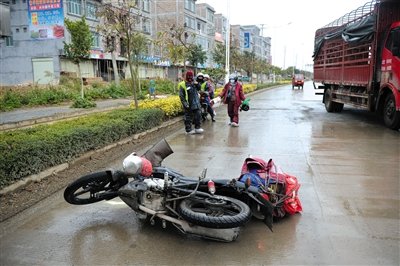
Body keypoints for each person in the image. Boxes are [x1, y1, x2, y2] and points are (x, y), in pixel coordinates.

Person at [178, 70, 204, 134]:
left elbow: (199, 88)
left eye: (191, 76)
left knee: (198, 116)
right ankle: (188, 130)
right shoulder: (182, 84)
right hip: (189, 104)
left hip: (196, 104)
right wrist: (185, 104)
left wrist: (197, 84)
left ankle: (197, 128)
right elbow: (181, 96)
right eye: (188, 76)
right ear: (186, 76)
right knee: (188, 118)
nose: (190, 77)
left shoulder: (194, 83)